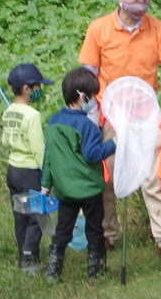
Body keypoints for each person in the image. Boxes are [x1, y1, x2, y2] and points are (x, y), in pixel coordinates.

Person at [78, 0, 161, 259]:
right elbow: (89, 73)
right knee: (107, 178)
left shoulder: (157, 28)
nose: (140, 1)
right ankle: (106, 235)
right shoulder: (99, 29)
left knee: (155, 177)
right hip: (110, 115)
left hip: (146, 114)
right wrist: (87, 110)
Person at [43, 67, 117, 283]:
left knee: (63, 229)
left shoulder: (53, 122)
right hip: (89, 189)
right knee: (95, 229)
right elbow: (93, 154)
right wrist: (113, 144)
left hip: (64, 189)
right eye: (93, 96)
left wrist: (45, 184)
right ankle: (96, 271)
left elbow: (48, 156)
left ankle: (53, 270)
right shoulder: (88, 127)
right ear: (82, 96)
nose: (94, 101)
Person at [0, 63, 49, 272]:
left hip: (13, 169)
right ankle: (29, 259)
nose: (40, 91)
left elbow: (4, 141)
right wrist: (46, 175)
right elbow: (39, 149)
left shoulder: (9, 111)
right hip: (30, 170)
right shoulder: (32, 115)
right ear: (27, 89)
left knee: (20, 214)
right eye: (38, 87)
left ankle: (23, 252)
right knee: (37, 217)